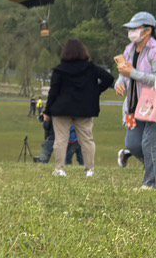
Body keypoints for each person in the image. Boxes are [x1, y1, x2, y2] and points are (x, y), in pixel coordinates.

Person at [114, 12, 156, 190]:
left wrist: (133, 74)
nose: (131, 32)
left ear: (148, 30)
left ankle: (150, 184)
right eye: (130, 29)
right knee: (133, 144)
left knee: (150, 144)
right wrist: (120, 82)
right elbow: (124, 72)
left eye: (135, 28)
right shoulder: (130, 49)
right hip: (136, 106)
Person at [40, 38, 114, 177]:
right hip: (84, 109)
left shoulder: (59, 70)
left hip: (62, 109)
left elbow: (53, 92)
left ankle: (60, 169)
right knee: (87, 139)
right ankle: (90, 169)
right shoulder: (91, 68)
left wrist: (47, 111)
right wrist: (96, 90)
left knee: (61, 140)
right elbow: (109, 78)